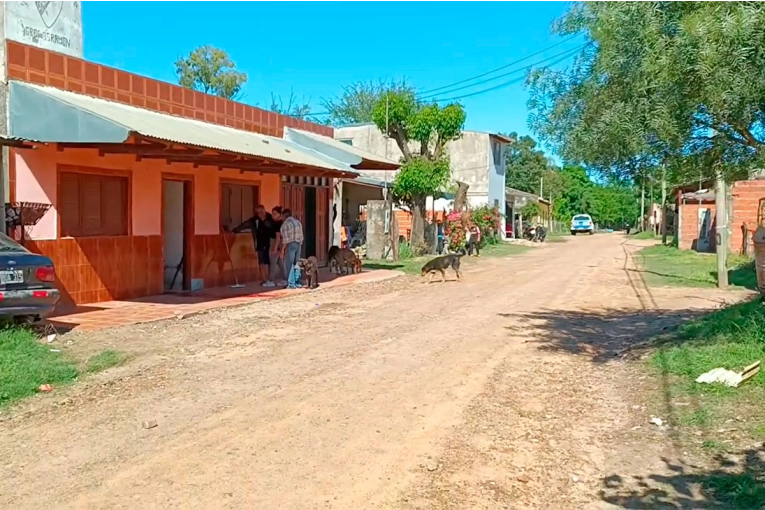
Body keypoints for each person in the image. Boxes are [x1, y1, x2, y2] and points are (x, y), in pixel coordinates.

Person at [232, 205, 275, 287]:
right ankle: (264, 279)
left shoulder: (270, 217)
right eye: (257, 212)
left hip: (270, 242)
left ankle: (270, 279)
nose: (259, 214)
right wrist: (235, 230)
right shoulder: (254, 220)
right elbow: (245, 224)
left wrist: (264, 220)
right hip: (259, 243)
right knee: (261, 262)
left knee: (268, 262)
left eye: (261, 212)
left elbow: (273, 227)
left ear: (264, 210)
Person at [279, 209, 304, 289]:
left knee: (289, 263)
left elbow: (286, 240)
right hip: (298, 243)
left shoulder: (285, 225)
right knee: (297, 263)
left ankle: (291, 283)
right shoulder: (298, 222)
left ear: (284, 216)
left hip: (290, 244)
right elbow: (301, 236)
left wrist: (282, 250)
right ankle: (298, 281)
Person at [269, 206, 285, 286]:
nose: (273, 215)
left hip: (276, 242)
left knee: (273, 261)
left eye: (275, 214)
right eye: (272, 213)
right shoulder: (278, 223)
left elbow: (278, 237)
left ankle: (271, 280)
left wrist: (275, 247)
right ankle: (285, 277)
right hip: (278, 243)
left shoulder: (278, 224)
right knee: (280, 262)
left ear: (279, 214)